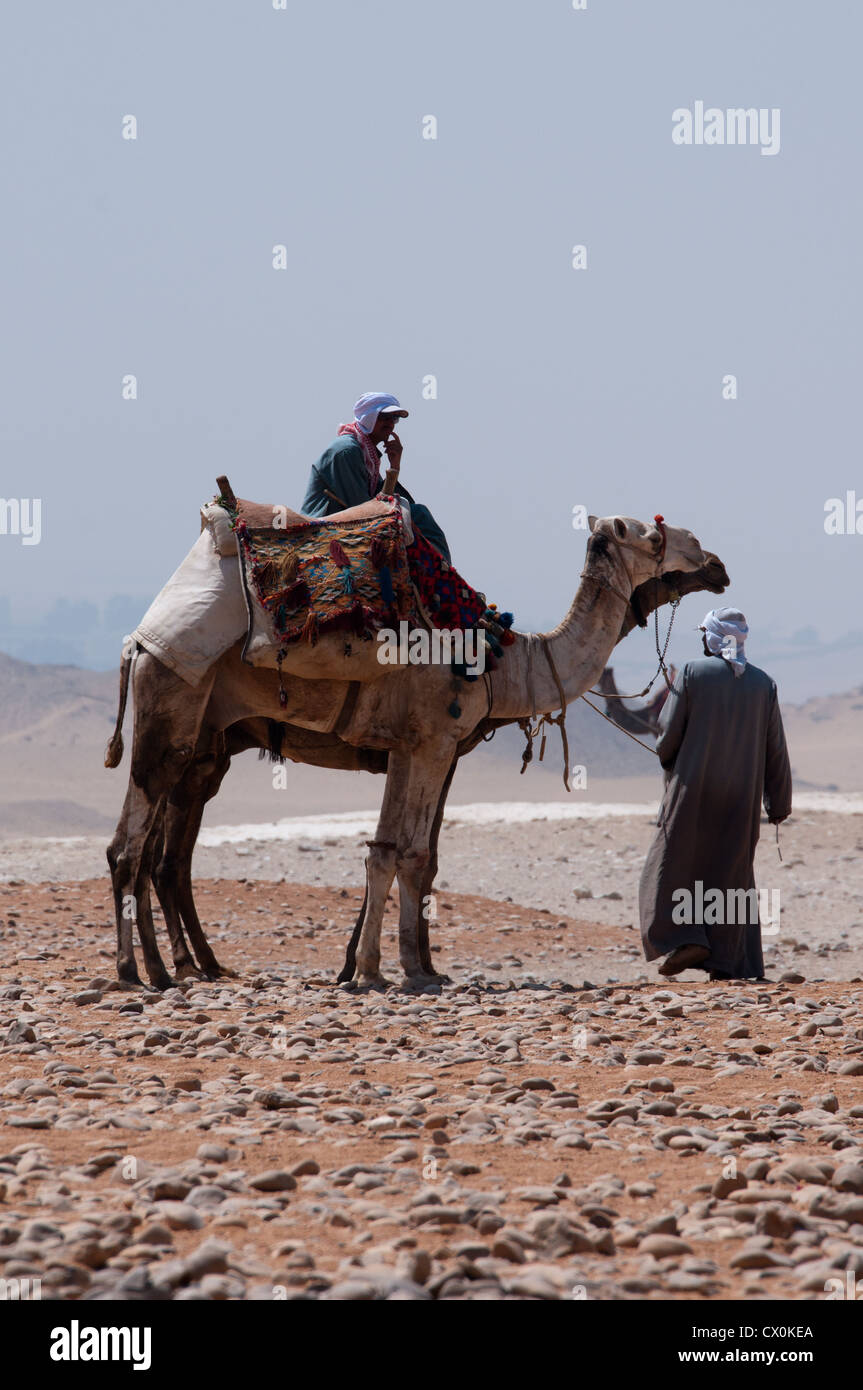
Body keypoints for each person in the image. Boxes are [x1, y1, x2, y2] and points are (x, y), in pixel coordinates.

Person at [638, 607, 792, 981]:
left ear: (710, 638)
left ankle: (685, 936)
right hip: (742, 802)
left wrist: (667, 753)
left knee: (669, 867)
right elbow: (776, 750)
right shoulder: (764, 684)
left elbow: (667, 736)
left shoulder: (690, 673)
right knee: (730, 876)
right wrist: (779, 803)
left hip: (692, 794)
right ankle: (729, 963)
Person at [300, 392, 451, 563]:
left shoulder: (367, 454)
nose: (390, 424)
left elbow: (383, 499)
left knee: (417, 513)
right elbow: (363, 506)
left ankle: (440, 568)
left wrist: (394, 467)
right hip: (323, 526)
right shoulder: (347, 451)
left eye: (394, 419)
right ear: (368, 417)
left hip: (350, 520)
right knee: (418, 514)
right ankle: (442, 569)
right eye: (384, 418)